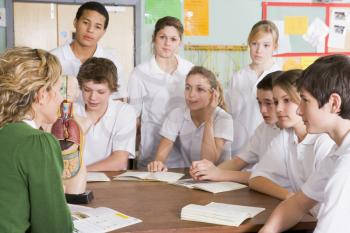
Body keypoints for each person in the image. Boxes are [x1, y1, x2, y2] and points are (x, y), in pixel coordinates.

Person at [259, 55, 350, 233]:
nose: (299, 111)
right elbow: (298, 203)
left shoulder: (345, 167)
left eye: (305, 100)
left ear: (333, 103)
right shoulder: (337, 152)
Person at [0, 47, 73, 232]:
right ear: (42, 95)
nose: (60, 99)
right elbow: (55, 227)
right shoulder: (37, 143)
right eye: (59, 90)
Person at [249, 69, 334, 201]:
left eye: (287, 100)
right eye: (276, 102)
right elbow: (256, 179)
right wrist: (291, 198)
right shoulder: (286, 136)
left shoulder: (324, 141)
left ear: (304, 99)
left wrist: (296, 203)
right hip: (303, 214)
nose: (278, 109)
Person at [190, 70, 282, 184]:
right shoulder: (263, 129)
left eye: (268, 103)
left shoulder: (290, 134)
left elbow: (269, 178)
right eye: (259, 103)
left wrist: (218, 174)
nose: (262, 110)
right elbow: (238, 161)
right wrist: (208, 172)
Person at [128, 16, 194, 169]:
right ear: (154, 38)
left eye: (173, 39)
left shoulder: (189, 69)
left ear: (180, 42)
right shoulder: (140, 73)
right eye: (162, 37)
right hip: (152, 155)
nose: (167, 43)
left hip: (185, 155)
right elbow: (134, 118)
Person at [147, 66, 233, 172]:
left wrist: (209, 117)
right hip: (193, 178)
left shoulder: (224, 119)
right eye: (188, 88)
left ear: (213, 94)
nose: (191, 95)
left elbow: (208, 161)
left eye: (200, 89)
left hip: (220, 182)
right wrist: (158, 163)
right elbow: (161, 155)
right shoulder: (177, 114)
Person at [51, 1, 127, 100]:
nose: (90, 30)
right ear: (75, 22)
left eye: (97, 26)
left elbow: (118, 100)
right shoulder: (53, 59)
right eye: (86, 23)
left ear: (103, 32)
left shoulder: (113, 63)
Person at [226, 20, 281, 155]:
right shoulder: (238, 77)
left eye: (266, 45)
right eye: (254, 44)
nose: (259, 50)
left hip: (271, 146)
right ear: (249, 44)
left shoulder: (281, 78)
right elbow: (228, 114)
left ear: (275, 46)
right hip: (239, 148)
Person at [74, 57, 136, 171]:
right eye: (87, 90)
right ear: (80, 87)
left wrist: (79, 174)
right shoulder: (71, 110)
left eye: (100, 92)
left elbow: (119, 162)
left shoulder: (125, 112)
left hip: (109, 182)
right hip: (73, 182)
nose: (93, 97)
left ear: (112, 90)